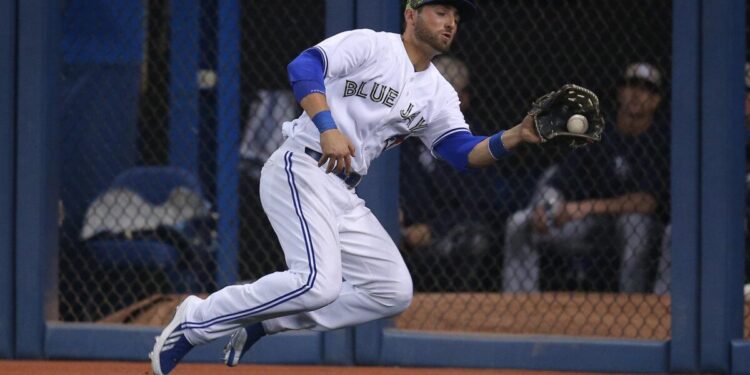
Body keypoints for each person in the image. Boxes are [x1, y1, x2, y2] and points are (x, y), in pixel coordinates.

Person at [150, 1, 543, 373]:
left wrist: (516, 135)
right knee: (315, 283)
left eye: (455, 16)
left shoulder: (438, 92)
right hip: (302, 165)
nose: (450, 22)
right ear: (411, 14)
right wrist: (327, 127)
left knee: (392, 291)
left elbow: (461, 151)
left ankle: (264, 323)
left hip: (344, 190)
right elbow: (305, 66)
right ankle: (197, 319)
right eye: (440, 11)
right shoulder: (372, 45)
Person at [503, 62, 670, 293]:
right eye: (630, 85)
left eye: (646, 88)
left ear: (656, 100)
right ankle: (517, 304)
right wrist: (546, 206)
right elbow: (559, 179)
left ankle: (633, 308)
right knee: (519, 223)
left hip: (636, 226)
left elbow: (646, 202)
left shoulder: (660, 140)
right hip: (589, 224)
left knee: (635, 225)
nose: (636, 93)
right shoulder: (601, 134)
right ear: (620, 92)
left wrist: (584, 207)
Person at [653, 62, 750, 295]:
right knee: (676, 231)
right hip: (725, 217)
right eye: (742, 94)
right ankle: (662, 303)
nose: (744, 103)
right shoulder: (722, 134)